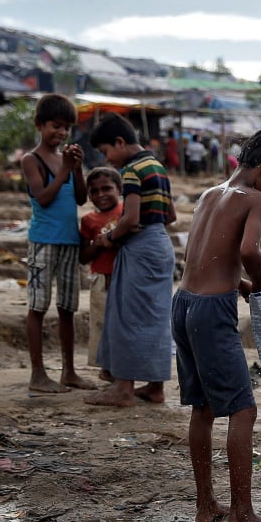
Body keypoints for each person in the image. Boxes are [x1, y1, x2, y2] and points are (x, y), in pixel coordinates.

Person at [171, 127, 261, 522]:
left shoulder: (210, 194)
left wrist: (237, 285)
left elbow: (205, 255)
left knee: (203, 408)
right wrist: (259, 284)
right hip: (210, 314)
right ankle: (242, 514)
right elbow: (246, 251)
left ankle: (206, 504)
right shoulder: (254, 198)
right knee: (243, 410)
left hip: (184, 302)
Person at [85, 115, 177, 407]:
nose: (107, 158)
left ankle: (123, 388)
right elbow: (170, 216)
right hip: (161, 244)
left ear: (120, 143)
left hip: (141, 248)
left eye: (106, 151)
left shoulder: (131, 170)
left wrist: (108, 239)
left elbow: (132, 218)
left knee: (129, 316)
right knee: (156, 317)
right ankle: (154, 387)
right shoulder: (157, 166)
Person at [20, 94, 95, 393]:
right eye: (56, 126)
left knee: (67, 308)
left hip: (69, 242)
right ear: (39, 124)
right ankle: (38, 374)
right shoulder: (31, 159)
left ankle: (69, 371)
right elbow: (43, 198)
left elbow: (80, 198)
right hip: (43, 242)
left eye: (66, 128)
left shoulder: (65, 158)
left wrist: (77, 169)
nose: (62, 133)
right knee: (38, 307)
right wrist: (65, 167)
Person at [78, 168, 124, 376]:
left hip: (125, 279)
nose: (100, 195)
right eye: (94, 191)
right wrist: (98, 245)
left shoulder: (127, 213)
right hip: (101, 280)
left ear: (119, 189)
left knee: (122, 325)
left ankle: (122, 368)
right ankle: (106, 368)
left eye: (107, 188)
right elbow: (83, 256)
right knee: (101, 324)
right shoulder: (88, 221)